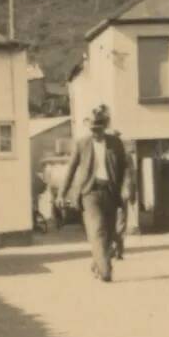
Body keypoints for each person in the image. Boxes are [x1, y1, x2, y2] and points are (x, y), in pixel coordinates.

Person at [60, 104, 132, 282]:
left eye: (98, 129)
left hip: (111, 192)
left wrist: (126, 187)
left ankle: (98, 264)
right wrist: (62, 193)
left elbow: (127, 169)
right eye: (92, 129)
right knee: (97, 231)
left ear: (105, 126)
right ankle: (106, 272)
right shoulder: (82, 144)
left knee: (109, 235)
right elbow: (71, 169)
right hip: (89, 193)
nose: (95, 132)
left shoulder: (116, 143)